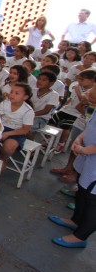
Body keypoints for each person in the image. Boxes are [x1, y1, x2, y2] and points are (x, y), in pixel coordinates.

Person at [48, 82, 96, 248]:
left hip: (92, 159)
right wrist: (80, 139)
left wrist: (84, 149)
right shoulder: (94, 107)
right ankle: (76, 221)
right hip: (88, 158)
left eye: (93, 91)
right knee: (82, 191)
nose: (88, 93)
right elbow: (90, 127)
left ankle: (80, 237)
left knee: (93, 202)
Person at [0, 83, 35, 167]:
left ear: (25, 97)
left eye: (17, 93)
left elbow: (25, 129)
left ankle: (2, 160)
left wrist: (7, 133)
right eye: (11, 92)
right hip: (2, 127)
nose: (12, 95)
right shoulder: (4, 103)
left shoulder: (28, 111)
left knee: (8, 147)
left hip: (17, 132)